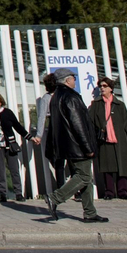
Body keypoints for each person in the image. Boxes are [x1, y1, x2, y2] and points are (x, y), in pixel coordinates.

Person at [42, 70, 107, 223]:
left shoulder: (56, 96)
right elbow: (78, 125)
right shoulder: (70, 96)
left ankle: (90, 212)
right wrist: (88, 147)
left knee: (85, 178)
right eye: (73, 78)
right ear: (67, 80)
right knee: (84, 176)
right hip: (77, 145)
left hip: (68, 146)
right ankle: (54, 198)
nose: (74, 81)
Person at [87, 77, 127, 200]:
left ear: (111, 88)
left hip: (119, 139)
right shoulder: (96, 104)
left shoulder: (119, 105)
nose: (102, 88)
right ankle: (109, 192)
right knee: (107, 167)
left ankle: (123, 191)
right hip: (104, 140)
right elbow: (90, 122)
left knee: (122, 165)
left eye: (105, 86)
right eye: (101, 86)